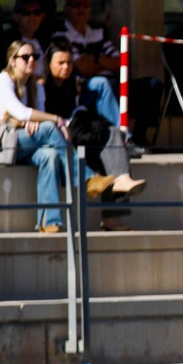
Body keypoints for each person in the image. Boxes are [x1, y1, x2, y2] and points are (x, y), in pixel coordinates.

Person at [0, 40, 100, 234]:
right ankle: (85, 178)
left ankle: (49, 221)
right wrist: (56, 119)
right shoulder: (1, 80)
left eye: (35, 56)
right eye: (25, 57)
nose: (31, 60)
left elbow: (32, 117)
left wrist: (31, 121)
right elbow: (22, 113)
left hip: (18, 140)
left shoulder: (36, 87)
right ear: (13, 61)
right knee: (50, 128)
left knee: (50, 155)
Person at [42, 40, 146, 231]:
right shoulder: (42, 86)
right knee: (111, 146)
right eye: (60, 63)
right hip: (61, 140)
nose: (66, 68)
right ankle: (113, 213)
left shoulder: (74, 83)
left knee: (114, 136)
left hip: (80, 134)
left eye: (69, 63)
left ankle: (120, 186)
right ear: (49, 65)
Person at [52, 0, 121, 91]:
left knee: (151, 83)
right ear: (66, 9)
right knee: (103, 83)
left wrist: (95, 59)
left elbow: (120, 63)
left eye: (86, 4)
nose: (81, 8)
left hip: (112, 80)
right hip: (82, 84)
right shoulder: (61, 36)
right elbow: (84, 68)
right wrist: (106, 63)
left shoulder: (99, 32)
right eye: (75, 4)